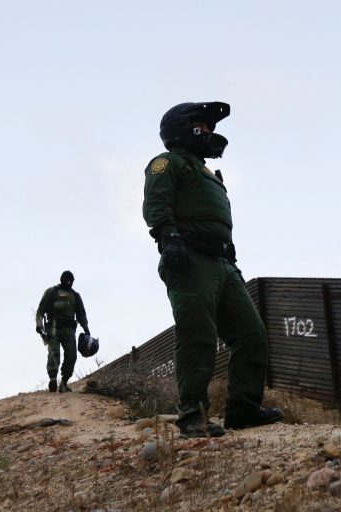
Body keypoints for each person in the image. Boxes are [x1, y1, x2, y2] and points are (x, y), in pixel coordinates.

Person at [142, 101, 283, 438]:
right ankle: (192, 414)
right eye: (201, 126)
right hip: (189, 258)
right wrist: (168, 236)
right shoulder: (167, 163)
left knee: (251, 334)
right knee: (197, 334)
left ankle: (242, 410)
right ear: (180, 128)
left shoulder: (208, 173)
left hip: (222, 263)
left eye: (210, 127)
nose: (208, 132)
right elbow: (156, 202)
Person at [35, 271, 90, 393]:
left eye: (71, 281)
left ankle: (64, 382)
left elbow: (81, 314)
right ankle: (53, 378)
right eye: (67, 280)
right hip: (53, 328)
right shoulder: (51, 292)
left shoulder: (75, 296)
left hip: (69, 330)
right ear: (61, 279)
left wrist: (86, 329)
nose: (69, 283)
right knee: (54, 352)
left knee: (72, 355)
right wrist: (39, 325)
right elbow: (40, 311)